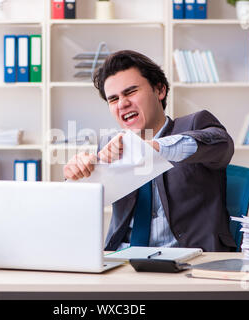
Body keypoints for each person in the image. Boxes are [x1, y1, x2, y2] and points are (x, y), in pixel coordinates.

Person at [63, 50, 236, 252]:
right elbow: (76, 209)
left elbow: (222, 144)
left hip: (187, 260)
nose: (123, 104)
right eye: (113, 99)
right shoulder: (109, 146)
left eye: (130, 92)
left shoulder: (195, 124)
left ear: (160, 90)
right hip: (122, 259)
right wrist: (79, 175)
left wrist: (150, 148)